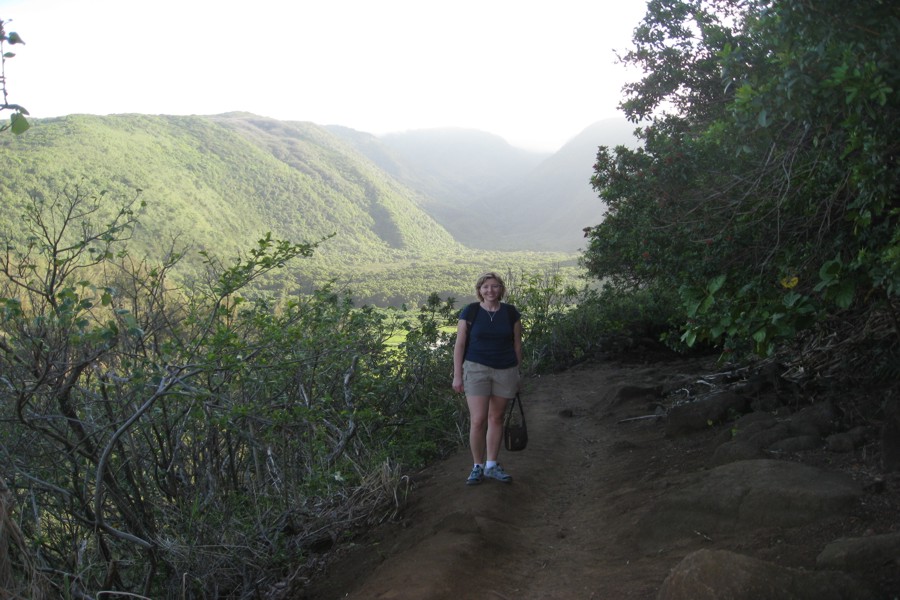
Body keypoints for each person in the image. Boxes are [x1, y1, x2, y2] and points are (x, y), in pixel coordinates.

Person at [452, 272, 523, 485]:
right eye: (485, 287)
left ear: (501, 289)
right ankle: (477, 466)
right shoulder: (470, 311)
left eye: (494, 286)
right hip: (476, 369)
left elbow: (517, 345)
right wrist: (457, 375)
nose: (490, 290)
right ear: (479, 290)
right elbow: (460, 344)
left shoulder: (510, 313)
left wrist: (517, 373)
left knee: (497, 418)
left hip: (505, 370)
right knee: (478, 420)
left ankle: (491, 465)